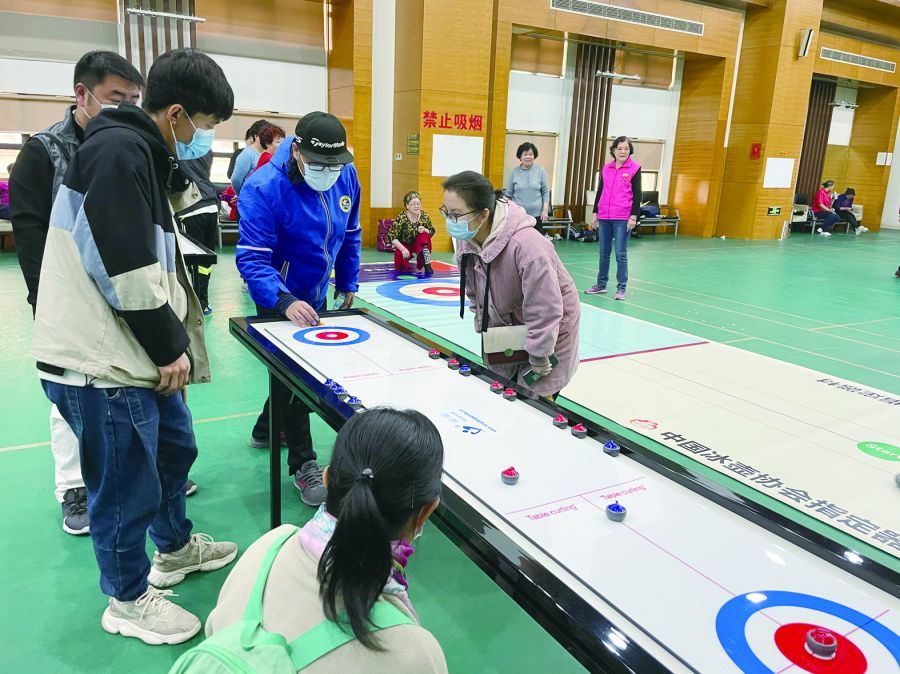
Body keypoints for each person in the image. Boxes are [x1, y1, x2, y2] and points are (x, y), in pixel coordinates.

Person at [31, 48, 238, 644]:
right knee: (124, 483)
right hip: (101, 360)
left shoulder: (144, 155)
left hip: (136, 353)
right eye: (204, 126)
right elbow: (121, 263)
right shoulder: (119, 152)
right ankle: (125, 598)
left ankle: (172, 548)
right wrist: (168, 346)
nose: (204, 140)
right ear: (176, 114)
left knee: (175, 447)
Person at [8, 51, 145, 535]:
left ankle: (136, 472)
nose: (126, 108)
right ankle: (73, 487)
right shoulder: (43, 152)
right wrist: (45, 303)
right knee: (68, 394)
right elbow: (31, 238)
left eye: (133, 99)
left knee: (125, 386)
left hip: (120, 290)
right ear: (81, 95)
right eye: (114, 98)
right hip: (64, 298)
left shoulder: (133, 147)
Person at [204, 408, 448, 672]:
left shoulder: (269, 546)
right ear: (426, 511)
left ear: (327, 478)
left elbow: (214, 630)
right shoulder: (413, 653)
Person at [237, 111, 361, 507]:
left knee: (290, 375)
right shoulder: (263, 187)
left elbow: (351, 232)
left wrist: (348, 280)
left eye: (334, 164)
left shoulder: (345, 174)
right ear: (297, 152)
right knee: (298, 375)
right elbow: (254, 260)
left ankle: (265, 427)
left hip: (317, 287)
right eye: (318, 164)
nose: (328, 172)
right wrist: (284, 299)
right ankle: (303, 464)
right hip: (278, 292)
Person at [443, 171, 580, 399]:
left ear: (483, 214)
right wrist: (482, 323)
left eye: (456, 214)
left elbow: (545, 309)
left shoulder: (528, 247)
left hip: (552, 330)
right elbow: (473, 290)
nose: (450, 221)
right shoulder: (466, 239)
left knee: (533, 401)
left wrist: (539, 354)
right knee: (503, 388)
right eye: (446, 212)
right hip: (509, 326)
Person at [584, 136, 641, 301]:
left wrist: (633, 216)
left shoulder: (635, 169)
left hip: (623, 217)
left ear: (630, 151)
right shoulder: (606, 168)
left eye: (626, 149)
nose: (623, 151)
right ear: (614, 150)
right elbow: (600, 191)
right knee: (603, 253)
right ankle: (601, 285)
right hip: (604, 216)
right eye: (620, 148)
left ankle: (621, 288)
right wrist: (595, 212)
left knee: (620, 253)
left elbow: (638, 195)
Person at [176, 150, 220, 315]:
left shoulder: (178, 147)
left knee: (194, 258)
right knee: (205, 259)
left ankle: (197, 304)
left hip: (191, 207)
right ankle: (203, 301)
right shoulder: (205, 149)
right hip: (210, 203)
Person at [504, 142, 550, 235]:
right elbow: (508, 194)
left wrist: (545, 210)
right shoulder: (514, 172)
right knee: (520, 240)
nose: (528, 157)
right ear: (520, 157)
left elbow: (545, 191)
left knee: (537, 241)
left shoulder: (540, 170)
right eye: (525, 154)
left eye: (530, 154)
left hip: (537, 215)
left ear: (534, 156)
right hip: (519, 215)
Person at [388, 191, 435, 274]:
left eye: (418, 203)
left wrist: (424, 229)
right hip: (405, 244)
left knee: (424, 235)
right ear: (407, 206)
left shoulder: (425, 216)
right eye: (413, 204)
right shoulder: (401, 218)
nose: (416, 206)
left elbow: (431, 231)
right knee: (401, 268)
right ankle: (406, 257)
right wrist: (402, 249)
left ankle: (426, 262)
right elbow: (392, 237)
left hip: (418, 243)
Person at [230, 118, 268, 195]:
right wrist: (242, 195)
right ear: (256, 136)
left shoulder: (265, 153)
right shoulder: (247, 154)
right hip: (249, 198)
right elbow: (235, 180)